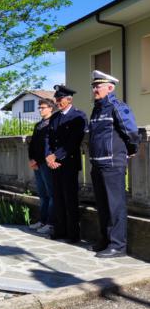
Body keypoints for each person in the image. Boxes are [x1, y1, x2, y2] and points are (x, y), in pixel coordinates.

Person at [88, 70, 139, 258]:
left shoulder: (117, 106)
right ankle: (105, 240)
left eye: (98, 86)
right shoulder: (96, 109)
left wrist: (131, 149)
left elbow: (132, 132)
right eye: (93, 86)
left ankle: (118, 246)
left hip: (112, 164)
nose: (94, 89)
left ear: (110, 88)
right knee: (102, 205)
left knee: (115, 206)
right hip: (97, 163)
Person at [45, 85, 88, 243]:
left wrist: (56, 156)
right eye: (56, 99)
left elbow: (74, 141)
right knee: (58, 198)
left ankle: (73, 234)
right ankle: (60, 230)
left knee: (70, 199)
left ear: (69, 99)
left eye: (60, 99)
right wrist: (48, 156)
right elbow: (48, 139)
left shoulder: (78, 116)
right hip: (54, 164)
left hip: (68, 163)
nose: (57, 102)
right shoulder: (55, 118)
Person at [28, 98, 56, 235]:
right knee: (42, 194)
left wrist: (39, 160)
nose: (40, 110)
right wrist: (31, 159)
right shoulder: (38, 125)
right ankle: (42, 220)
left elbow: (49, 146)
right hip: (37, 163)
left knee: (51, 194)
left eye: (43, 107)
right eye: (39, 107)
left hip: (46, 163)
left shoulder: (53, 123)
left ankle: (50, 223)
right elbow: (33, 144)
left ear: (51, 108)